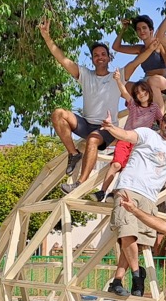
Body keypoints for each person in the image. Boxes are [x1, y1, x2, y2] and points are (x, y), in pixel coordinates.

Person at [98, 111, 166, 298]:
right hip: (128, 189)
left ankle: (117, 280)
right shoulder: (147, 134)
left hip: (149, 198)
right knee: (127, 232)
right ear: (161, 122)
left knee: (135, 241)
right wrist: (111, 128)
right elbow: (127, 135)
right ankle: (138, 275)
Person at [38, 19, 119, 186]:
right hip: (86, 124)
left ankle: (80, 182)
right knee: (58, 113)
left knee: (93, 140)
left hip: (106, 129)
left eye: (103, 54)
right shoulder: (85, 75)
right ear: (92, 59)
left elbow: (138, 61)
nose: (100, 57)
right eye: (96, 55)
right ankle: (74, 154)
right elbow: (63, 60)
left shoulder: (117, 77)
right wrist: (47, 37)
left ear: (109, 57)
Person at [81, 69, 166, 200]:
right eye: (138, 93)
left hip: (139, 143)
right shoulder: (133, 105)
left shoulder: (154, 108)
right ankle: (102, 191)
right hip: (125, 139)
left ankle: (114, 193)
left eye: (144, 91)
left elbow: (162, 121)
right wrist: (118, 80)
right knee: (116, 164)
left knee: (129, 169)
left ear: (149, 91)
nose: (141, 94)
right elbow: (124, 92)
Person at [111, 14, 166, 79]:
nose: (141, 31)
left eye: (144, 28)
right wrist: (123, 29)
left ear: (151, 30)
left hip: (160, 81)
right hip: (145, 83)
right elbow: (116, 47)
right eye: (138, 29)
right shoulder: (140, 49)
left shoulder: (159, 44)